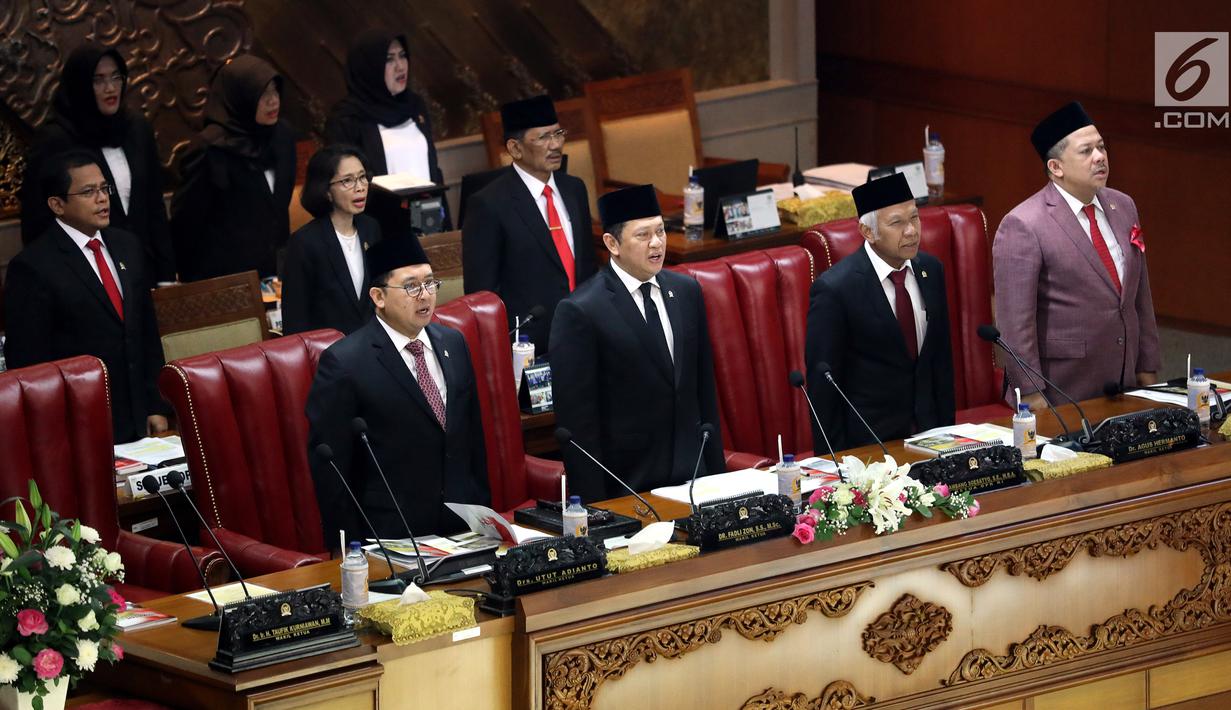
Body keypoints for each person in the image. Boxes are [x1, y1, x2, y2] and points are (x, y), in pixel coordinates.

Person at [305, 237, 489, 544]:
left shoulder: (453, 343)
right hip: (392, 535)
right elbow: (332, 469)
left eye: (430, 283)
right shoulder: (345, 362)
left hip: (463, 526)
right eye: (411, 286)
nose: (425, 295)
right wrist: (350, 549)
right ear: (378, 296)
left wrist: (483, 514)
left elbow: (473, 441)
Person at [549, 184, 723, 503]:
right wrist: (596, 508)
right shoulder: (582, 311)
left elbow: (704, 392)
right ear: (612, 243)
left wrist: (717, 474)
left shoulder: (686, 292)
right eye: (643, 235)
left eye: (660, 231)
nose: (656, 243)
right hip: (629, 486)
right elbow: (579, 425)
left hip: (695, 478)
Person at [994, 102, 1160, 407]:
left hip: (1125, 379)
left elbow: (1140, 296)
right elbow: (1015, 323)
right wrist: (1031, 394)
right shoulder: (1023, 224)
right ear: (1056, 167)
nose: (1100, 157)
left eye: (1101, 147)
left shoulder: (1123, 206)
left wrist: (1148, 366)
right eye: (1086, 151)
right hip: (1063, 389)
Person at [4, 150, 168, 443]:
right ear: (57, 204)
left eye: (105, 188)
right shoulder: (33, 268)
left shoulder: (128, 246)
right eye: (88, 191)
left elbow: (146, 334)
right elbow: (30, 367)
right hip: (77, 427)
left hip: (138, 420)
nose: (103, 198)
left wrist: (155, 404)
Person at [804, 173, 955, 451]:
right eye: (897, 222)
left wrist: (948, 433)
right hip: (868, 447)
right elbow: (824, 387)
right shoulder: (836, 289)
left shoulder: (931, 270)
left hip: (931, 437)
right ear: (868, 232)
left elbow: (940, 363)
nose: (911, 230)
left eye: (915, 218)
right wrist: (834, 463)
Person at [19, 43, 174, 285]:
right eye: (98, 80)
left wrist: (166, 276)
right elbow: (38, 223)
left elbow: (154, 207)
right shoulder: (57, 140)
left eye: (116, 77)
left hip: (143, 271)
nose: (110, 88)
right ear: (81, 85)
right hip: (87, 279)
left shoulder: (136, 128)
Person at [462, 95, 596, 354]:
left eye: (558, 133)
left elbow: (587, 266)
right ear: (515, 148)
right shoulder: (489, 205)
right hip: (531, 345)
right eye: (544, 137)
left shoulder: (574, 189)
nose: (556, 145)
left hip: (586, 331)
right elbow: (483, 294)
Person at [170, 55, 296, 282]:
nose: (273, 101)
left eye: (275, 90)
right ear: (241, 97)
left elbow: (277, 208)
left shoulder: (282, 136)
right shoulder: (209, 149)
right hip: (226, 277)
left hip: (277, 272)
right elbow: (186, 223)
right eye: (263, 94)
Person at [325, 31, 450, 233]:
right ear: (369, 67)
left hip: (429, 219)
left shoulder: (415, 106)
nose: (400, 66)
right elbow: (344, 185)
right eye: (389, 59)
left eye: (402, 56)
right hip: (381, 228)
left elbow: (433, 170)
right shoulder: (348, 118)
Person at [281, 145, 381, 335]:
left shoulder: (371, 229)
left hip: (373, 348)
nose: (360, 187)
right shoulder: (304, 243)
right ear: (326, 190)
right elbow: (295, 319)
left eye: (362, 177)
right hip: (328, 354)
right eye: (347, 181)